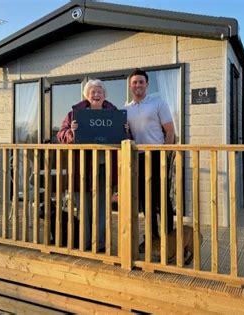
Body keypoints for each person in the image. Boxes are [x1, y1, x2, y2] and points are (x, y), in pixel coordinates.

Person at [57, 79, 118, 252]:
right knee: (83, 207)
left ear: (104, 95)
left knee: (101, 209)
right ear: (86, 95)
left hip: (104, 168)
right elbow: (60, 135)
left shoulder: (113, 113)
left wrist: (125, 129)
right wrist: (71, 132)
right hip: (81, 169)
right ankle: (84, 243)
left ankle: (99, 244)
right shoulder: (74, 114)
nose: (96, 95)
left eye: (99, 91)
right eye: (93, 92)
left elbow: (124, 137)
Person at [125, 68, 175, 244]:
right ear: (130, 86)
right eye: (134, 82)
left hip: (157, 155)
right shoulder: (126, 109)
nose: (138, 85)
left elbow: (170, 131)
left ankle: (169, 238)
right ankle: (152, 237)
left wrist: (165, 155)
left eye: (141, 82)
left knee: (161, 198)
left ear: (147, 84)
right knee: (145, 199)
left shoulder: (158, 103)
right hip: (137, 157)